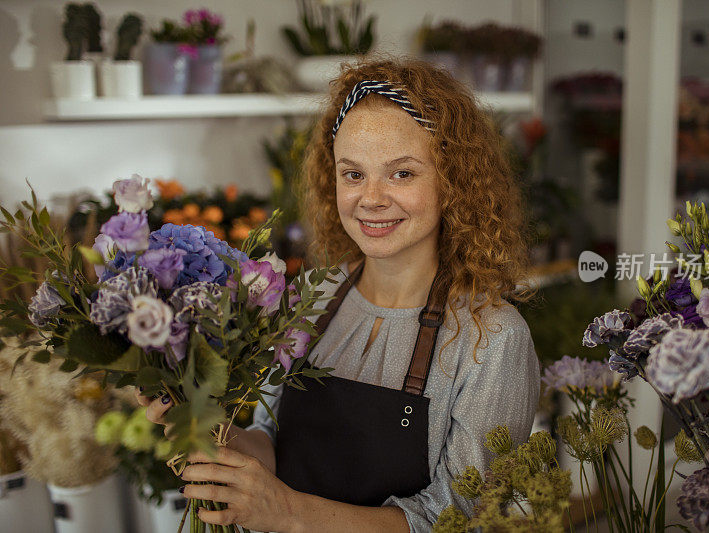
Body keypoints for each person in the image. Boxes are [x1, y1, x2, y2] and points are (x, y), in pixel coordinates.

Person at [138, 57, 540, 533]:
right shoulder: (314, 297)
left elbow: (460, 521)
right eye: (353, 174)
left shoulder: (491, 339)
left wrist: (287, 513)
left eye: (401, 174)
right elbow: (273, 442)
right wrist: (209, 429)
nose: (370, 198)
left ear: (452, 182)